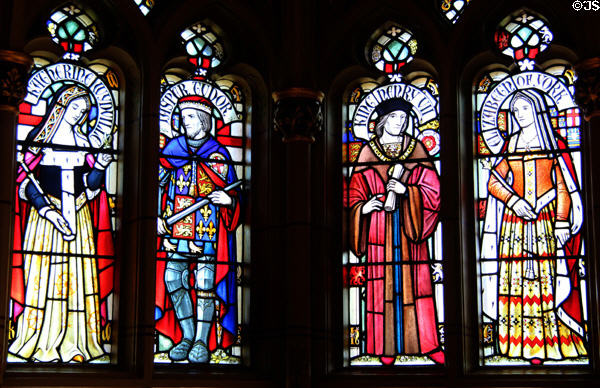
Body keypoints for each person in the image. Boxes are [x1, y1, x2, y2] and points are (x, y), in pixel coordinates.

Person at [9, 85, 114, 362]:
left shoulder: (84, 142)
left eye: (83, 111)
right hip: (46, 221)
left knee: (77, 281)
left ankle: (76, 342)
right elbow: (25, 183)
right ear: (61, 107)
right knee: (42, 281)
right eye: (75, 108)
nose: (79, 115)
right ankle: (38, 342)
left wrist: (101, 167)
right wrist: (47, 211)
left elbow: (90, 187)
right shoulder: (38, 139)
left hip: (78, 218)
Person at [483, 89, 586, 363]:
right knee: (514, 283)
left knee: (548, 281)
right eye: (516, 111)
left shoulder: (555, 145)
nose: (520, 116)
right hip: (514, 224)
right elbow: (493, 182)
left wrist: (562, 221)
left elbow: (564, 186)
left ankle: (552, 344)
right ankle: (516, 346)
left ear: (537, 112)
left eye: (525, 110)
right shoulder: (510, 145)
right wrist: (513, 200)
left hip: (546, 223)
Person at [348, 97, 444, 365]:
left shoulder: (417, 149)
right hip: (379, 231)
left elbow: (435, 190)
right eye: (394, 118)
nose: (400, 123)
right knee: (382, 288)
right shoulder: (367, 152)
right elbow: (353, 193)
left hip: (410, 231)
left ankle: (427, 343)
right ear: (381, 123)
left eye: (404, 119)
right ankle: (383, 346)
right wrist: (364, 208)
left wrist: (407, 192)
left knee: (419, 287)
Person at [156, 95, 240, 363]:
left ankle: (203, 341)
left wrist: (228, 200)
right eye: (182, 116)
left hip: (208, 229)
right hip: (176, 226)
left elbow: (234, 192)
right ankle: (187, 334)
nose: (184, 121)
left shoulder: (218, 153)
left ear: (204, 122)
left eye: (190, 116)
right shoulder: (173, 148)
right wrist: (157, 215)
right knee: (172, 278)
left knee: (205, 284)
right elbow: (158, 184)